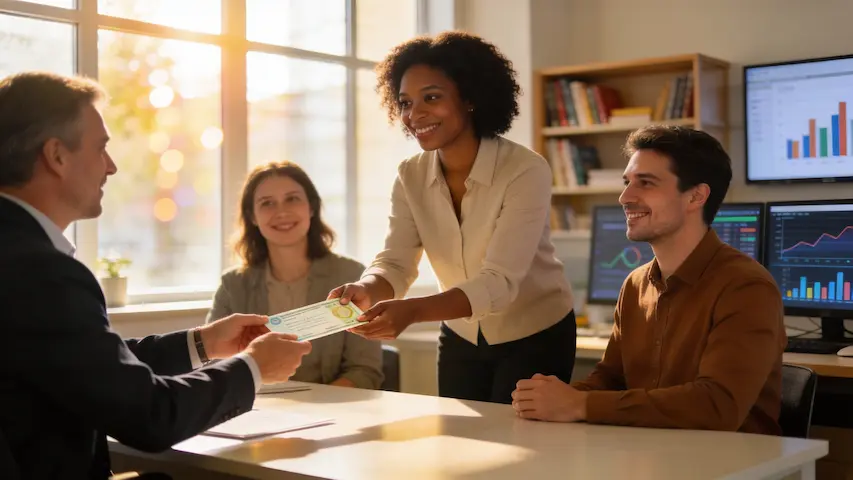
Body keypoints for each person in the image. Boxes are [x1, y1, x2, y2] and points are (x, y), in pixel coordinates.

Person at [0, 71, 313, 479]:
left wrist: (202, 343)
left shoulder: (16, 254)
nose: (110, 167)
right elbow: (150, 417)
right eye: (101, 149)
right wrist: (253, 368)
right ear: (57, 156)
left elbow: (89, 362)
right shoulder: (42, 272)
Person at [329, 31, 576, 405]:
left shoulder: (526, 170)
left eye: (432, 97)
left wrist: (412, 311)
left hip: (535, 332)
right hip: (462, 333)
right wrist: (367, 289)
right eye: (406, 102)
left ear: (470, 97)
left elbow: (499, 282)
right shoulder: (409, 175)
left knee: (523, 450)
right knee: (462, 449)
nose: (415, 114)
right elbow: (395, 263)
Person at [511, 126, 787, 435]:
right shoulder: (635, 284)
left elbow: (717, 405)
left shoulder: (746, 287)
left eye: (646, 183)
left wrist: (579, 405)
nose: (625, 197)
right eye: (627, 182)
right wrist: (555, 398)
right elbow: (611, 379)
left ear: (696, 196)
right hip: (650, 453)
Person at [206, 161, 383, 389]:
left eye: (292, 199)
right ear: (252, 217)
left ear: (311, 207)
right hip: (257, 413)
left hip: (333, 412)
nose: (281, 212)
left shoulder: (351, 276)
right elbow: (214, 366)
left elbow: (365, 371)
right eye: (267, 203)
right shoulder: (232, 285)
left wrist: (314, 409)